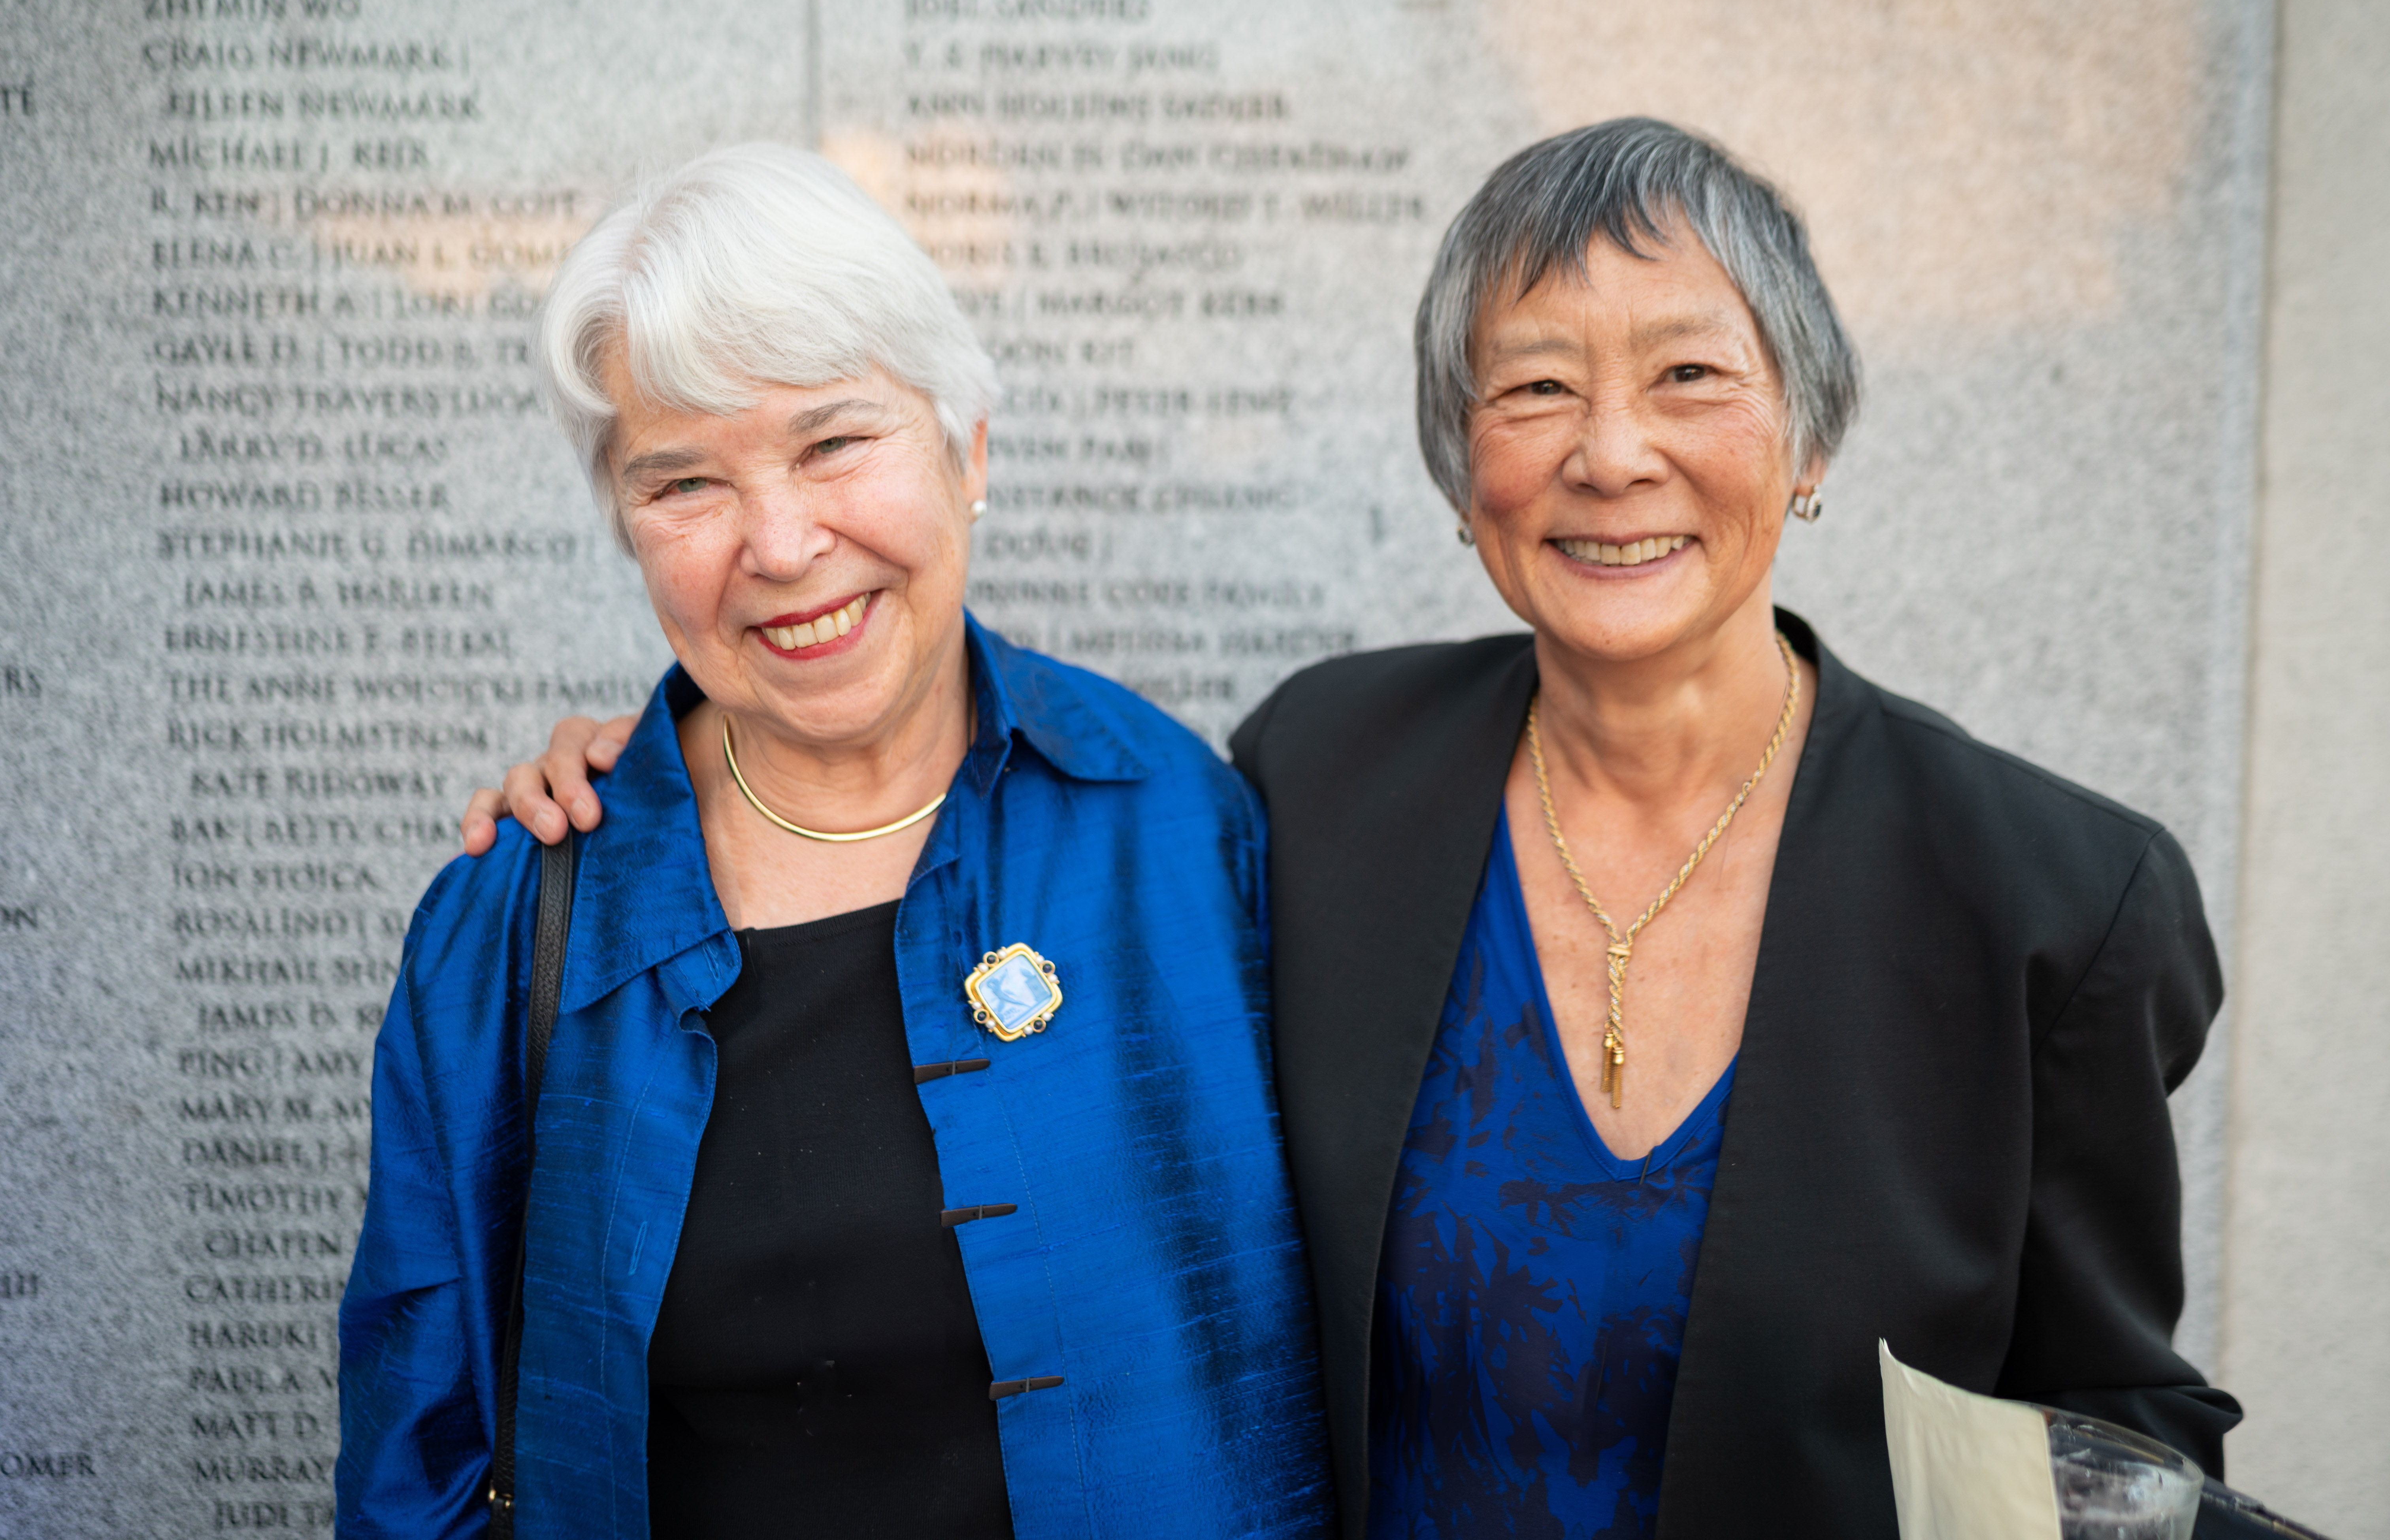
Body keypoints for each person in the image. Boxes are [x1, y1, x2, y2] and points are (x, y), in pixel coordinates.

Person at [473, 120, 2239, 1539]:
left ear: (1810, 433)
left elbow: (2115, 1435)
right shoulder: (1319, 782)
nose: (1610, 452)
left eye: (1692, 375)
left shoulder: (2051, 904)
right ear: (1461, 467)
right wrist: (668, 765)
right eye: (1535, 388)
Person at [336, 143, 1331, 1540]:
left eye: (833, 442)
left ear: (967, 446)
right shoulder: (519, 924)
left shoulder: (1182, 830)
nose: (784, 544)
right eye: (686, 484)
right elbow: (417, 1462)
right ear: (628, 529)